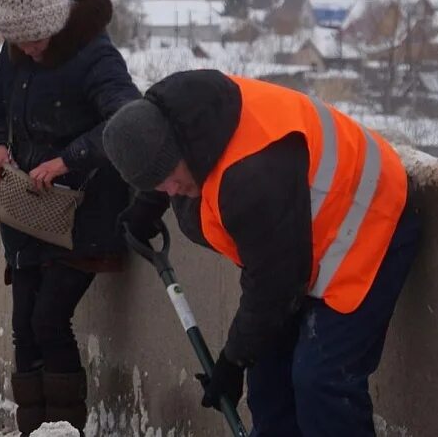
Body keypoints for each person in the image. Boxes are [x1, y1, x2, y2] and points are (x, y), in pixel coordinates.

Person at [101, 69, 421, 436]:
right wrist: (146, 206)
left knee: (321, 381)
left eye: (169, 178)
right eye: (159, 185)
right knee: (269, 382)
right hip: (297, 234)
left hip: (367, 218)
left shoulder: (250, 177)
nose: (170, 190)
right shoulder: (177, 118)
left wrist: (233, 361)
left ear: (182, 148)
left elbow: (276, 283)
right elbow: (164, 160)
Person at [0, 0, 141, 435]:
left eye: (33, 40)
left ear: (53, 22)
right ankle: (33, 429)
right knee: (23, 328)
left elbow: (129, 119)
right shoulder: (16, 50)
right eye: (17, 40)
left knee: (49, 321)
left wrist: (68, 158)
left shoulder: (94, 54)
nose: (26, 49)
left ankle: (64, 429)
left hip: (85, 215)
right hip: (27, 212)